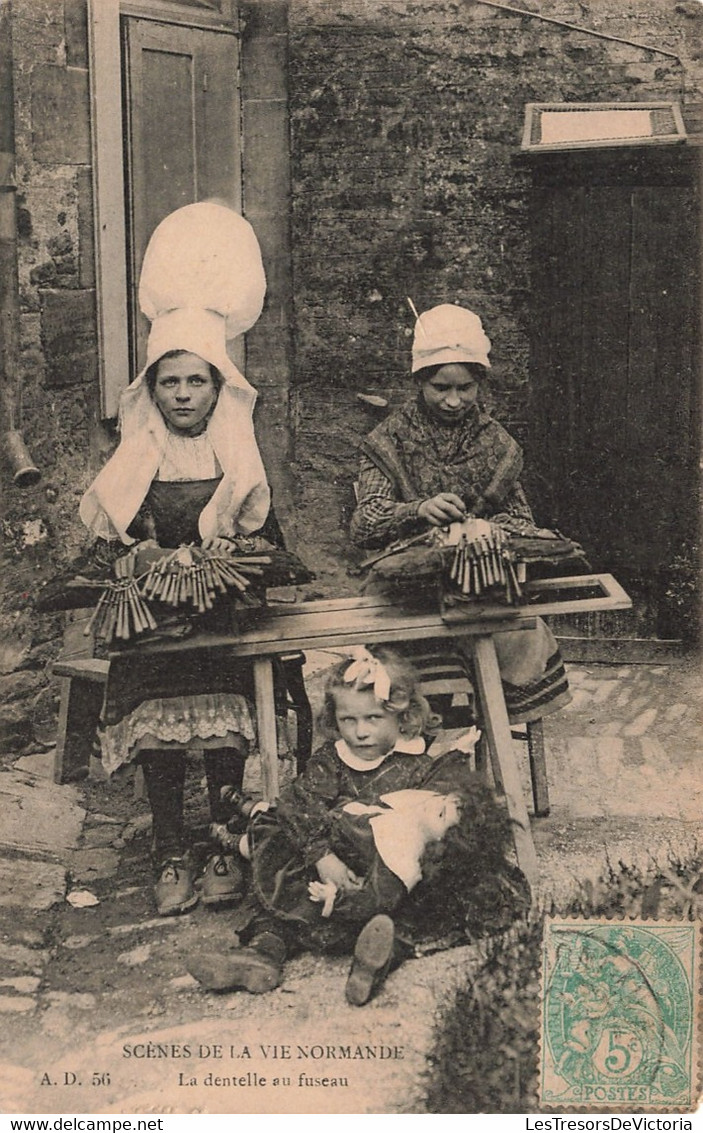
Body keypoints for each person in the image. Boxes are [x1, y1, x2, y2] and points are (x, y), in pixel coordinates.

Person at [79, 202, 278, 918]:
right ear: (151, 389)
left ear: (218, 387)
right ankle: (169, 844)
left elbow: (269, 544)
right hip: (154, 623)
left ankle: (223, 838)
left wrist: (237, 551)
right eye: (170, 382)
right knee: (161, 732)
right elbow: (107, 542)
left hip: (219, 613)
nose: (184, 394)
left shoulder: (238, 458)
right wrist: (144, 558)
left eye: (197, 381)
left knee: (224, 727)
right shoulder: (138, 454)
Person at [186, 647, 528, 1005]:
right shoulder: (330, 761)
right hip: (331, 871)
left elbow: (438, 813)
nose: (360, 732)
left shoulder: (418, 764)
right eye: (349, 720)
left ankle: (378, 956)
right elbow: (300, 806)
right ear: (335, 720)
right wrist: (322, 855)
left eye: (373, 718)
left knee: (446, 888)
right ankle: (261, 953)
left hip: (387, 882)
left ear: (403, 716)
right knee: (282, 857)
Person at [350, 303, 571, 725]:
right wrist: (417, 510)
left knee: (516, 633)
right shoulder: (389, 439)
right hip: (406, 590)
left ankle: (485, 736)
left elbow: (520, 519)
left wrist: (490, 527)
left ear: (480, 384)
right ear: (419, 381)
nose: (454, 401)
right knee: (415, 662)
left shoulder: (496, 444)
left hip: (481, 586)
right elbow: (364, 524)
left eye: (465, 388)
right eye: (440, 387)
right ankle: (426, 741)